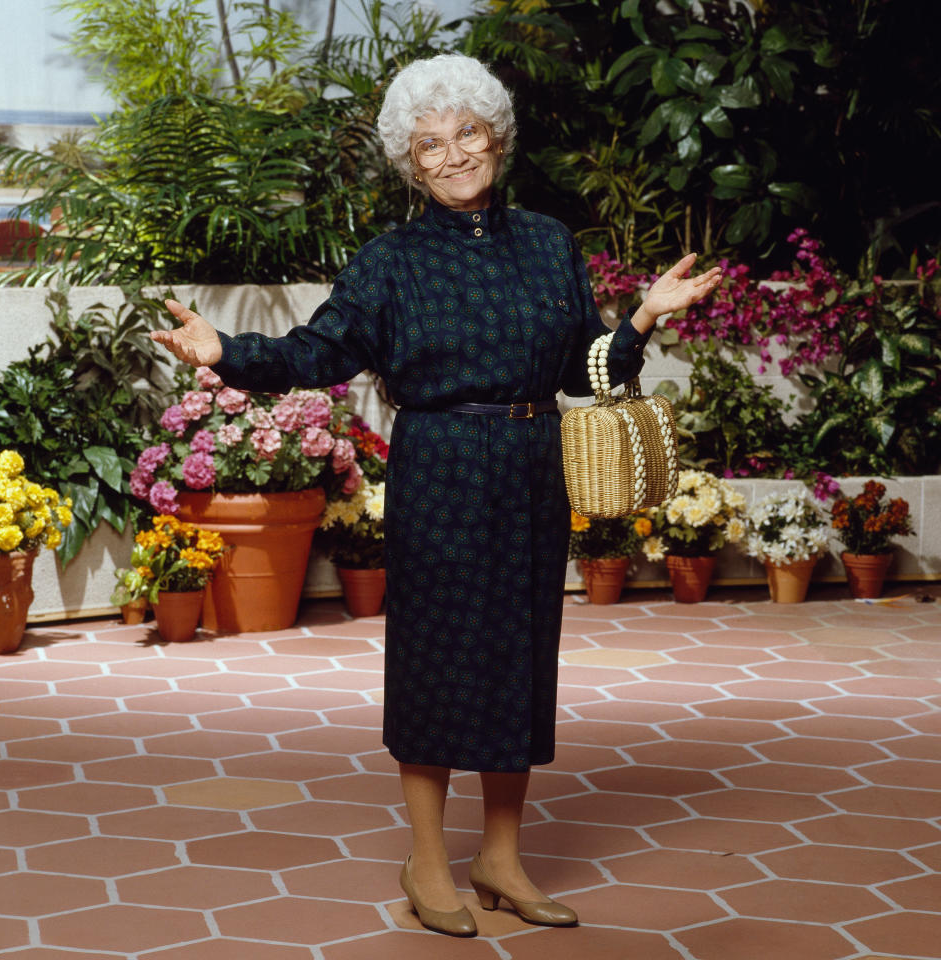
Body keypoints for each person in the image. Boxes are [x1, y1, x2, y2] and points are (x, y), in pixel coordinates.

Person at [152, 53, 721, 937]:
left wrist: (642, 317)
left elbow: (584, 369)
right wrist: (225, 351)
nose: (453, 154)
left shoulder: (545, 242)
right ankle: (427, 859)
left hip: (534, 464)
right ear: (409, 163)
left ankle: (500, 858)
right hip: (443, 469)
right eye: (429, 144)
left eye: (467, 131)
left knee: (519, 660)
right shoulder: (392, 261)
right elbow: (316, 354)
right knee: (435, 661)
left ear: (496, 135)